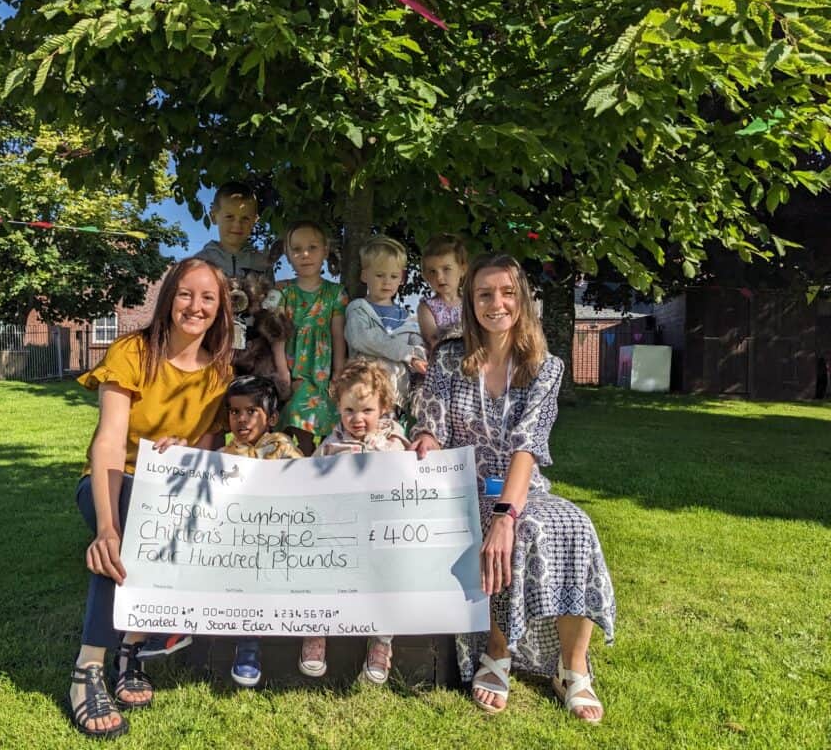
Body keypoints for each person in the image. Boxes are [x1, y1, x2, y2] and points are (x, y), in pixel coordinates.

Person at [410, 253, 615, 724]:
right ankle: (497, 652)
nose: (495, 303)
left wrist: (507, 514)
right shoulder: (447, 355)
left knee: (573, 524)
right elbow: (434, 422)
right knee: (501, 531)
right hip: (461, 487)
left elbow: (529, 444)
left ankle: (573, 667)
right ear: (470, 301)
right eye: (484, 294)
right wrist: (426, 437)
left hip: (522, 488)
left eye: (506, 293)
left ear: (521, 300)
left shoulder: (545, 366)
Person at [69, 257, 233, 739]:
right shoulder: (132, 352)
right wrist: (105, 527)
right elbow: (109, 443)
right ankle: (89, 667)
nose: (195, 306)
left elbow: (212, 443)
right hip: (112, 484)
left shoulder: (220, 370)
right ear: (168, 299)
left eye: (208, 298)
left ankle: (131, 651)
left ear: (221, 308)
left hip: (174, 490)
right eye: (185, 294)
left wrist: (190, 448)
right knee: (130, 524)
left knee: (154, 518)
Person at [300, 360, 409, 683]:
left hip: (380, 539)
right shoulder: (330, 447)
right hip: (337, 536)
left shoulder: (396, 447)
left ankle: (380, 643)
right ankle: (315, 633)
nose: (357, 419)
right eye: (349, 411)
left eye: (367, 410)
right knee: (319, 572)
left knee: (390, 579)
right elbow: (307, 485)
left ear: (384, 407)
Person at [219, 375, 304, 687]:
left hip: (281, 536)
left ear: (271, 418)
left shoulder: (282, 448)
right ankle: (248, 643)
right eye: (234, 412)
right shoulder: (225, 454)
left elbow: (305, 483)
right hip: (240, 541)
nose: (242, 419)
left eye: (252, 411)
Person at [276, 220, 349, 455]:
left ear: (325, 251)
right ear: (288, 255)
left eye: (312, 248)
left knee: (329, 424)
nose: (304, 255)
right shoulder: (283, 292)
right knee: (296, 423)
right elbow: (277, 335)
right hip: (294, 369)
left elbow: (338, 335)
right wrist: (282, 373)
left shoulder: (335, 293)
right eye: (296, 249)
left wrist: (338, 373)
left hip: (324, 373)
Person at [344, 236, 427, 414]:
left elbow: (419, 347)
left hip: (395, 396)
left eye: (393, 276)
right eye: (380, 275)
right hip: (363, 391)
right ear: (365, 275)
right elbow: (364, 339)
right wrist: (407, 354)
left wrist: (419, 357)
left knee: (391, 439)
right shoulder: (358, 309)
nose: (387, 281)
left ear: (402, 278)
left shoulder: (406, 317)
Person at [194, 182, 274, 281]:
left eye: (245, 218)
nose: (237, 225)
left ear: (254, 221)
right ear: (213, 217)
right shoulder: (199, 262)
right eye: (229, 217)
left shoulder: (262, 264)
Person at [417, 234, 467, 351]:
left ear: (462, 270)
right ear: (425, 276)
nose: (439, 277)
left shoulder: (471, 303)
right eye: (432, 271)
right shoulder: (427, 307)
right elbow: (433, 340)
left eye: (446, 269)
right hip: (442, 363)